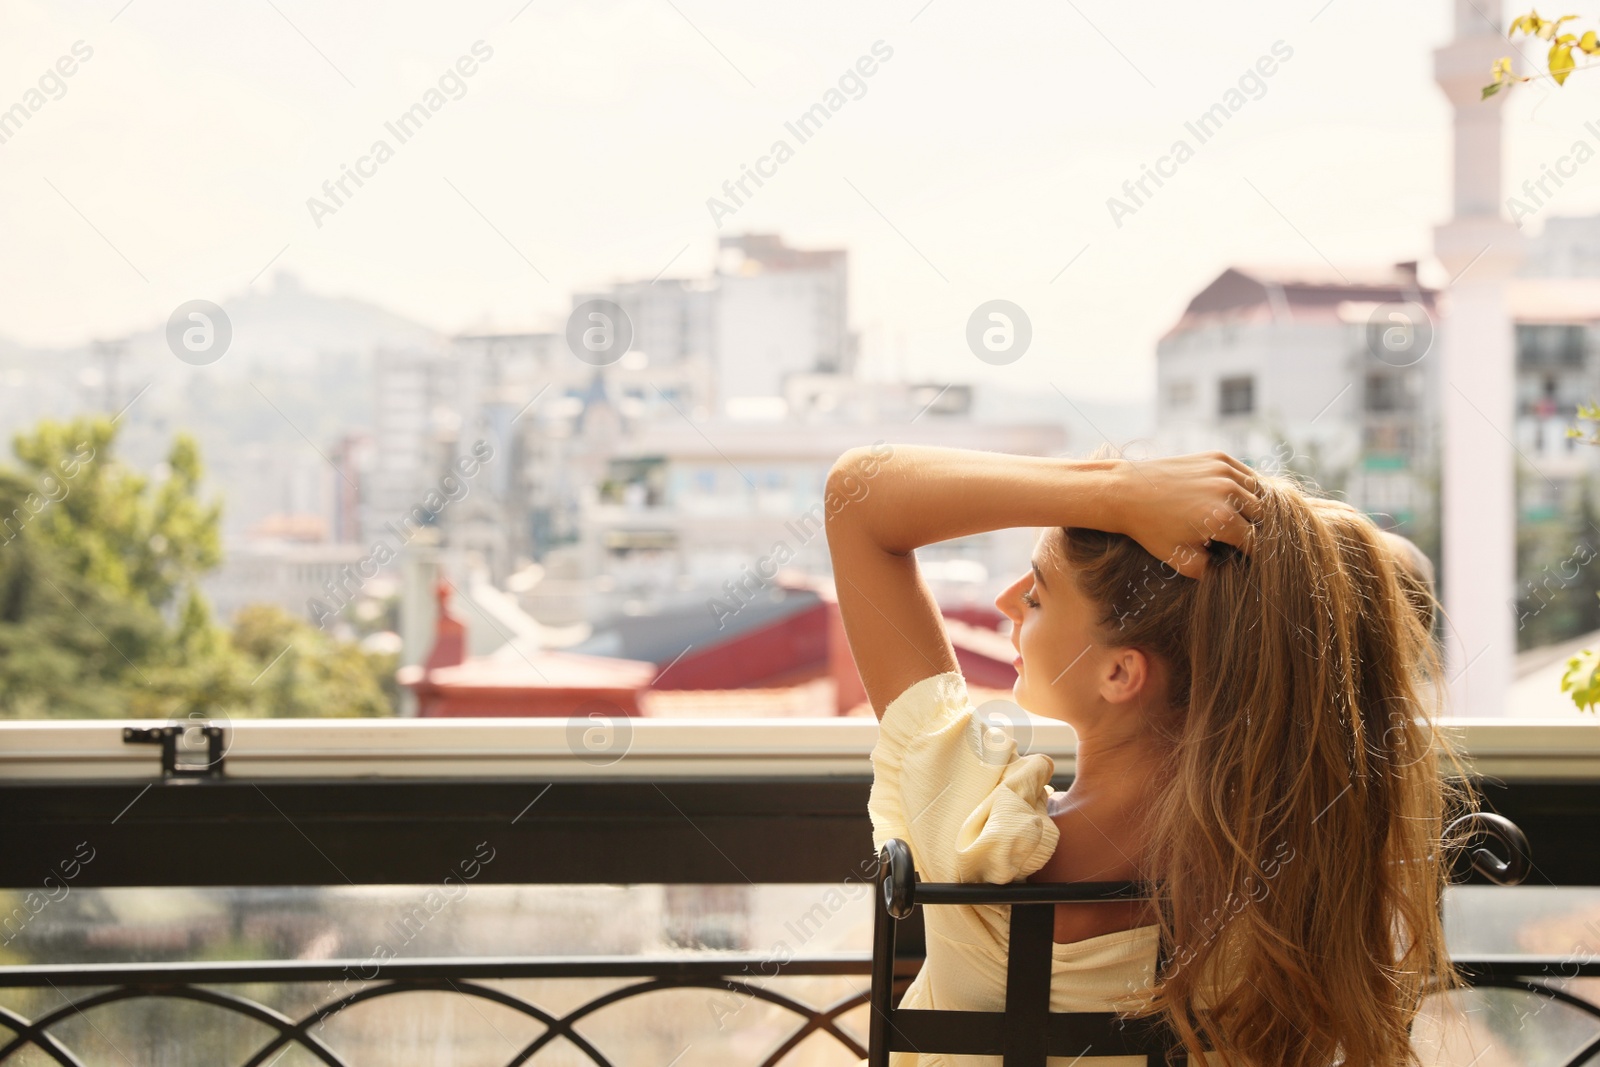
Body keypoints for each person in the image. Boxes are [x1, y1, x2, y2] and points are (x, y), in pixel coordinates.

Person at [825, 442, 1475, 1067]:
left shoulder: (971, 823)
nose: (1005, 602)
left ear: (1120, 673)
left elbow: (858, 494)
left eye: (1038, 593)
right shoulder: (1293, 880)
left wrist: (1117, 492)